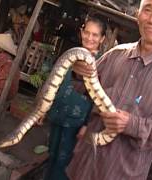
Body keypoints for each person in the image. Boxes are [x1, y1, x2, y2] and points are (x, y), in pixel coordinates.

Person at [67, 0, 152, 180]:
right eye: (147, 10)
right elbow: (83, 89)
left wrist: (132, 125)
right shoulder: (115, 54)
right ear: (138, 16)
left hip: (122, 172)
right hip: (85, 165)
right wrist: (79, 73)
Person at [44, 15, 106, 180]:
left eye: (95, 35)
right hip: (57, 115)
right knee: (51, 155)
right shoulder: (69, 56)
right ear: (81, 32)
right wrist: (44, 109)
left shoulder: (101, 64)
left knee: (65, 164)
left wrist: (87, 125)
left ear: (102, 39)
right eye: (87, 32)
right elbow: (54, 84)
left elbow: (98, 99)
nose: (89, 38)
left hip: (76, 124)